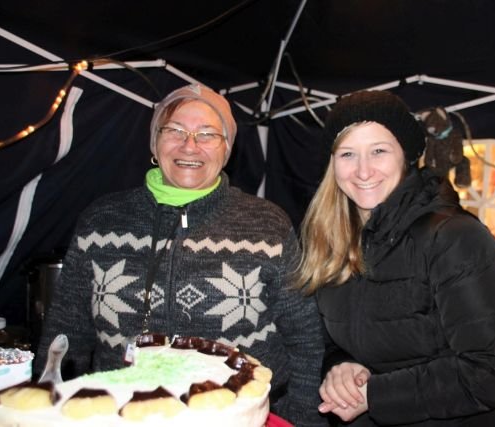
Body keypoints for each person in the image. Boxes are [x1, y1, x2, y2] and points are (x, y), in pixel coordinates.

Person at [35, 83, 326, 426]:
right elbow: (66, 330)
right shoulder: (102, 220)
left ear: (226, 149)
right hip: (124, 415)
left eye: (207, 134)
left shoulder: (266, 224)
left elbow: (305, 335)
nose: (190, 145)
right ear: (154, 144)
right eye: (174, 130)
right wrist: (45, 407)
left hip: (237, 416)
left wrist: (298, 416)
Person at [296, 90, 495, 426]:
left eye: (378, 151)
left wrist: (374, 395)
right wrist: (340, 366)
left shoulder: (454, 238)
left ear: (406, 156)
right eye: (347, 154)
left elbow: (493, 370)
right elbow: (333, 339)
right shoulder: (330, 240)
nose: (363, 171)